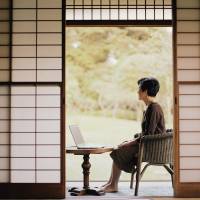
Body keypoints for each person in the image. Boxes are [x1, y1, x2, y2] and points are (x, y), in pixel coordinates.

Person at [101, 77, 166, 193]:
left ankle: (113, 185)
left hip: (151, 148)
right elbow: (147, 132)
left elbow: (148, 135)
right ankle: (111, 183)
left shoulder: (154, 108)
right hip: (148, 144)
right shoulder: (151, 107)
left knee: (119, 150)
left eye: (139, 89)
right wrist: (130, 141)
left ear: (145, 91)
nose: (137, 92)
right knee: (120, 147)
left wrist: (130, 143)